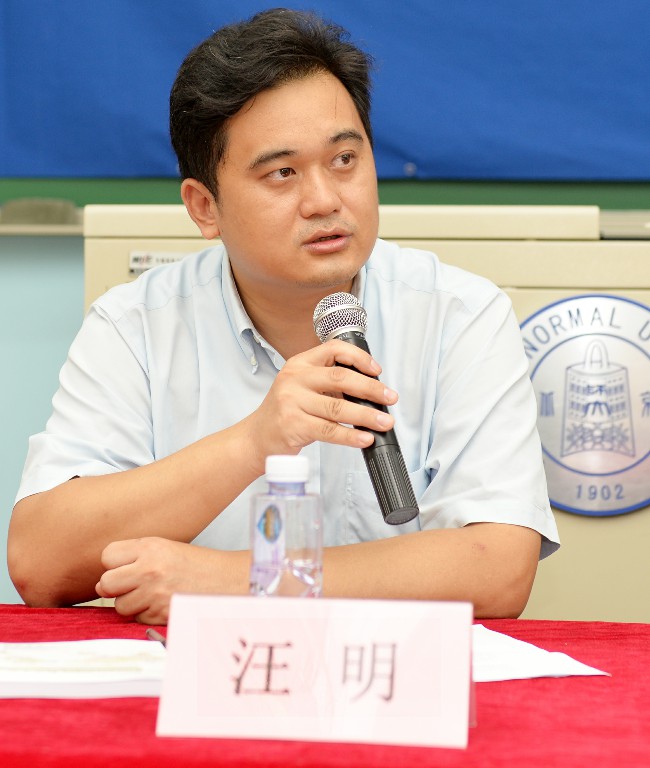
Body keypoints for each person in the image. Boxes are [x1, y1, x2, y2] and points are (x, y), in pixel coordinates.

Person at [8, 8, 559, 625]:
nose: (324, 200)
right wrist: (254, 441)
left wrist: (238, 581)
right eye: (282, 173)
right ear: (205, 207)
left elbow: (498, 569)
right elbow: (39, 562)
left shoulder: (460, 314)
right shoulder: (136, 325)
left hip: (388, 675)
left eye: (344, 160)